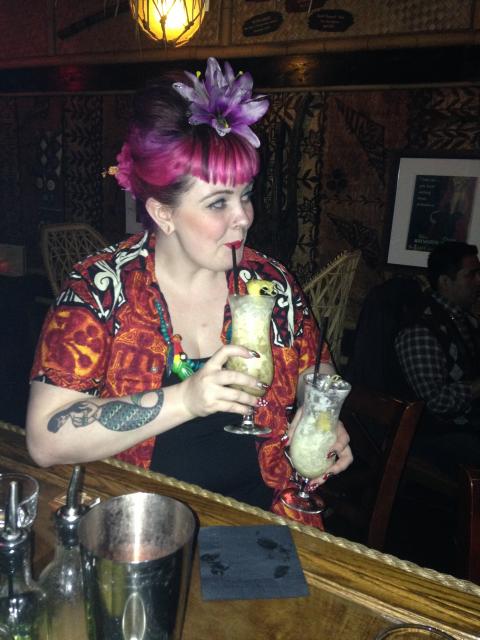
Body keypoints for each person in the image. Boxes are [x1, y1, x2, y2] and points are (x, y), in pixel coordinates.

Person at [26, 57, 352, 527]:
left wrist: (319, 412)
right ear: (164, 213)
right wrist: (187, 399)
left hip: (265, 519)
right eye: (218, 202)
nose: (243, 217)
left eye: (245, 194)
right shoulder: (100, 288)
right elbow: (45, 439)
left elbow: (313, 363)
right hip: (137, 523)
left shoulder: (270, 280)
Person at [395, 241, 480, 477]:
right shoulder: (421, 329)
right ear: (445, 281)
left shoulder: (464, 320)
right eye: (471, 275)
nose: (478, 281)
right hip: (436, 435)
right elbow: (435, 402)